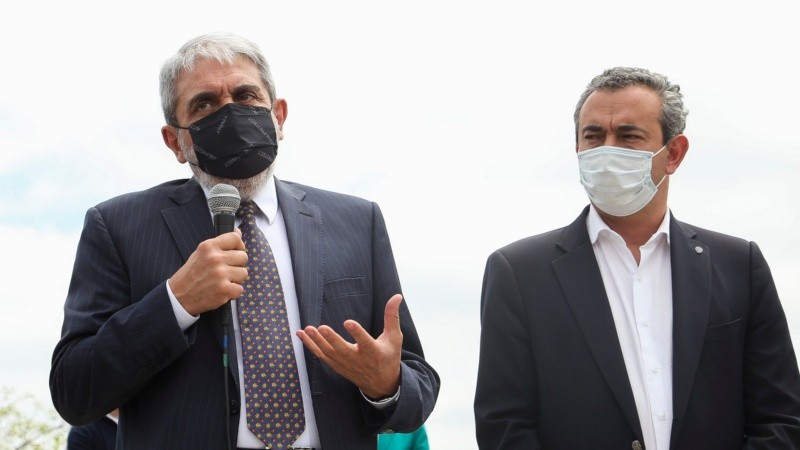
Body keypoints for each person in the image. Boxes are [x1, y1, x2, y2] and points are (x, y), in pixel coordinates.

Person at [50, 32, 439, 450]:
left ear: (280, 116)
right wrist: (175, 302)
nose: (230, 113)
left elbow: (417, 387)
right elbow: (74, 391)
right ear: (175, 141)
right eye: (204, 104)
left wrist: (386, 384)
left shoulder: (357, 221)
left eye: (246, 95)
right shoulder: (118, 226)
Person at [474, 66, 800, 449]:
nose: (607, 150)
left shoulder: (737, 265)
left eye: (628, 136)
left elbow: (782, 420)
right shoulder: (519, 273)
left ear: (673, 153)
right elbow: (505, 428)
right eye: (593, 136)